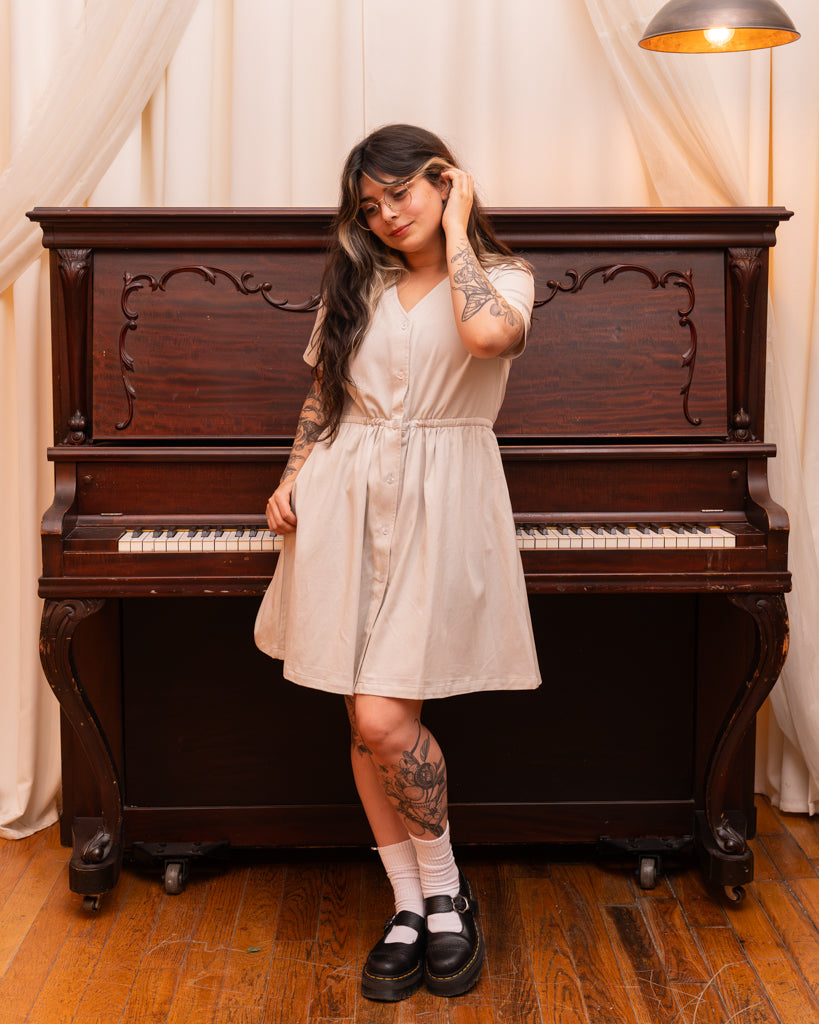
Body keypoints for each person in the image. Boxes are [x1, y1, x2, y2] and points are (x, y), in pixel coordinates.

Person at [255, 124, 541, 1001]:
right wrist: (291, 476)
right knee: (360, 716)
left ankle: (449, 889)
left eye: (401, 194)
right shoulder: (358, 285)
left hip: (441, 500)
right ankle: (411, 903)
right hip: (342, 496)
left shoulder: (503, 278)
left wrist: (456, 231)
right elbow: (324, 393)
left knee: (386, 720)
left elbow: (488, 340)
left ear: (444, 182)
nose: (384, 216)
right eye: (368, 205)